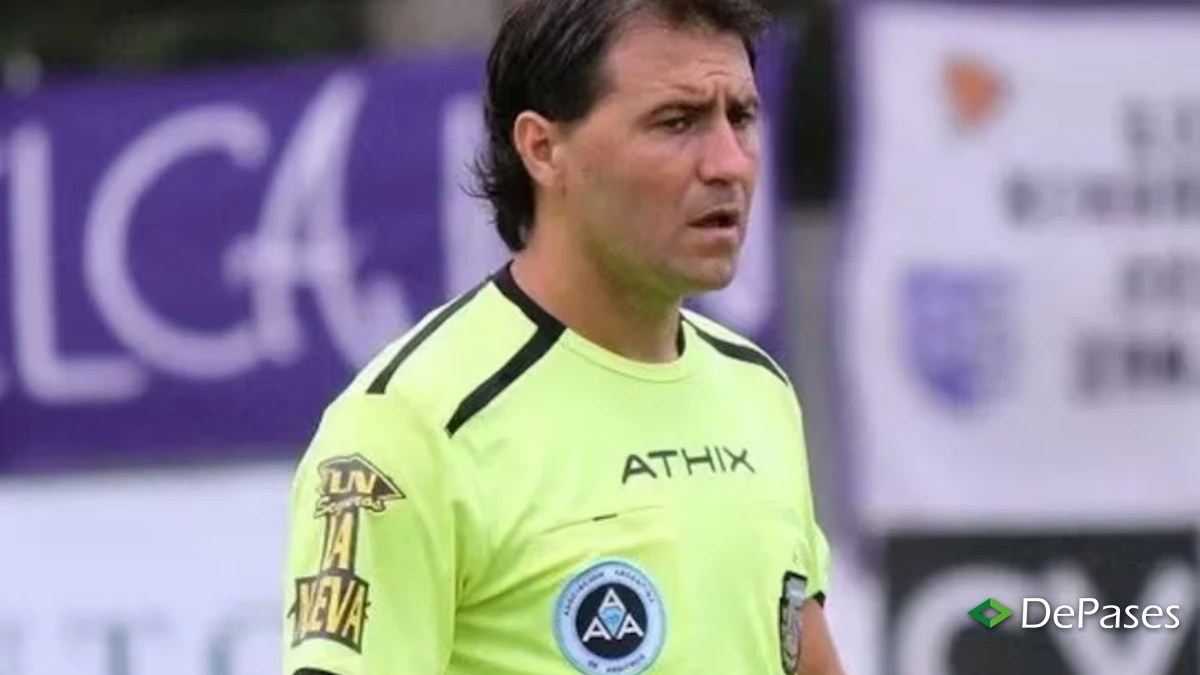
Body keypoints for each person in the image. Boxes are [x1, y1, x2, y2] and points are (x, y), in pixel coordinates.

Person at [281, 0, 845, 673]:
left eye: (742, 117)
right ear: (543, 149)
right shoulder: (408, 427)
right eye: (677, 122)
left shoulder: (758, 389)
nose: (728, 162)